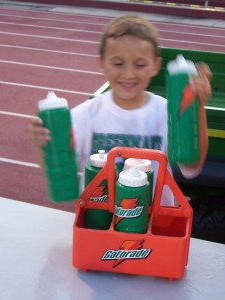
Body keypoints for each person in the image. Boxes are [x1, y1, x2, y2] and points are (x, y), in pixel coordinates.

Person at [28, 15, 212, 206]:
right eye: (118, 64)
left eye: (140, 65)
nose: (129, 74)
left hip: (156, 221)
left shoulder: (167, 112)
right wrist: (44, 145)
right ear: (102, 63)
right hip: (98, 220)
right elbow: (61, 172)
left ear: (155, 66)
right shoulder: (86, 114)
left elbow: (192, 167)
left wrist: (197, 107)